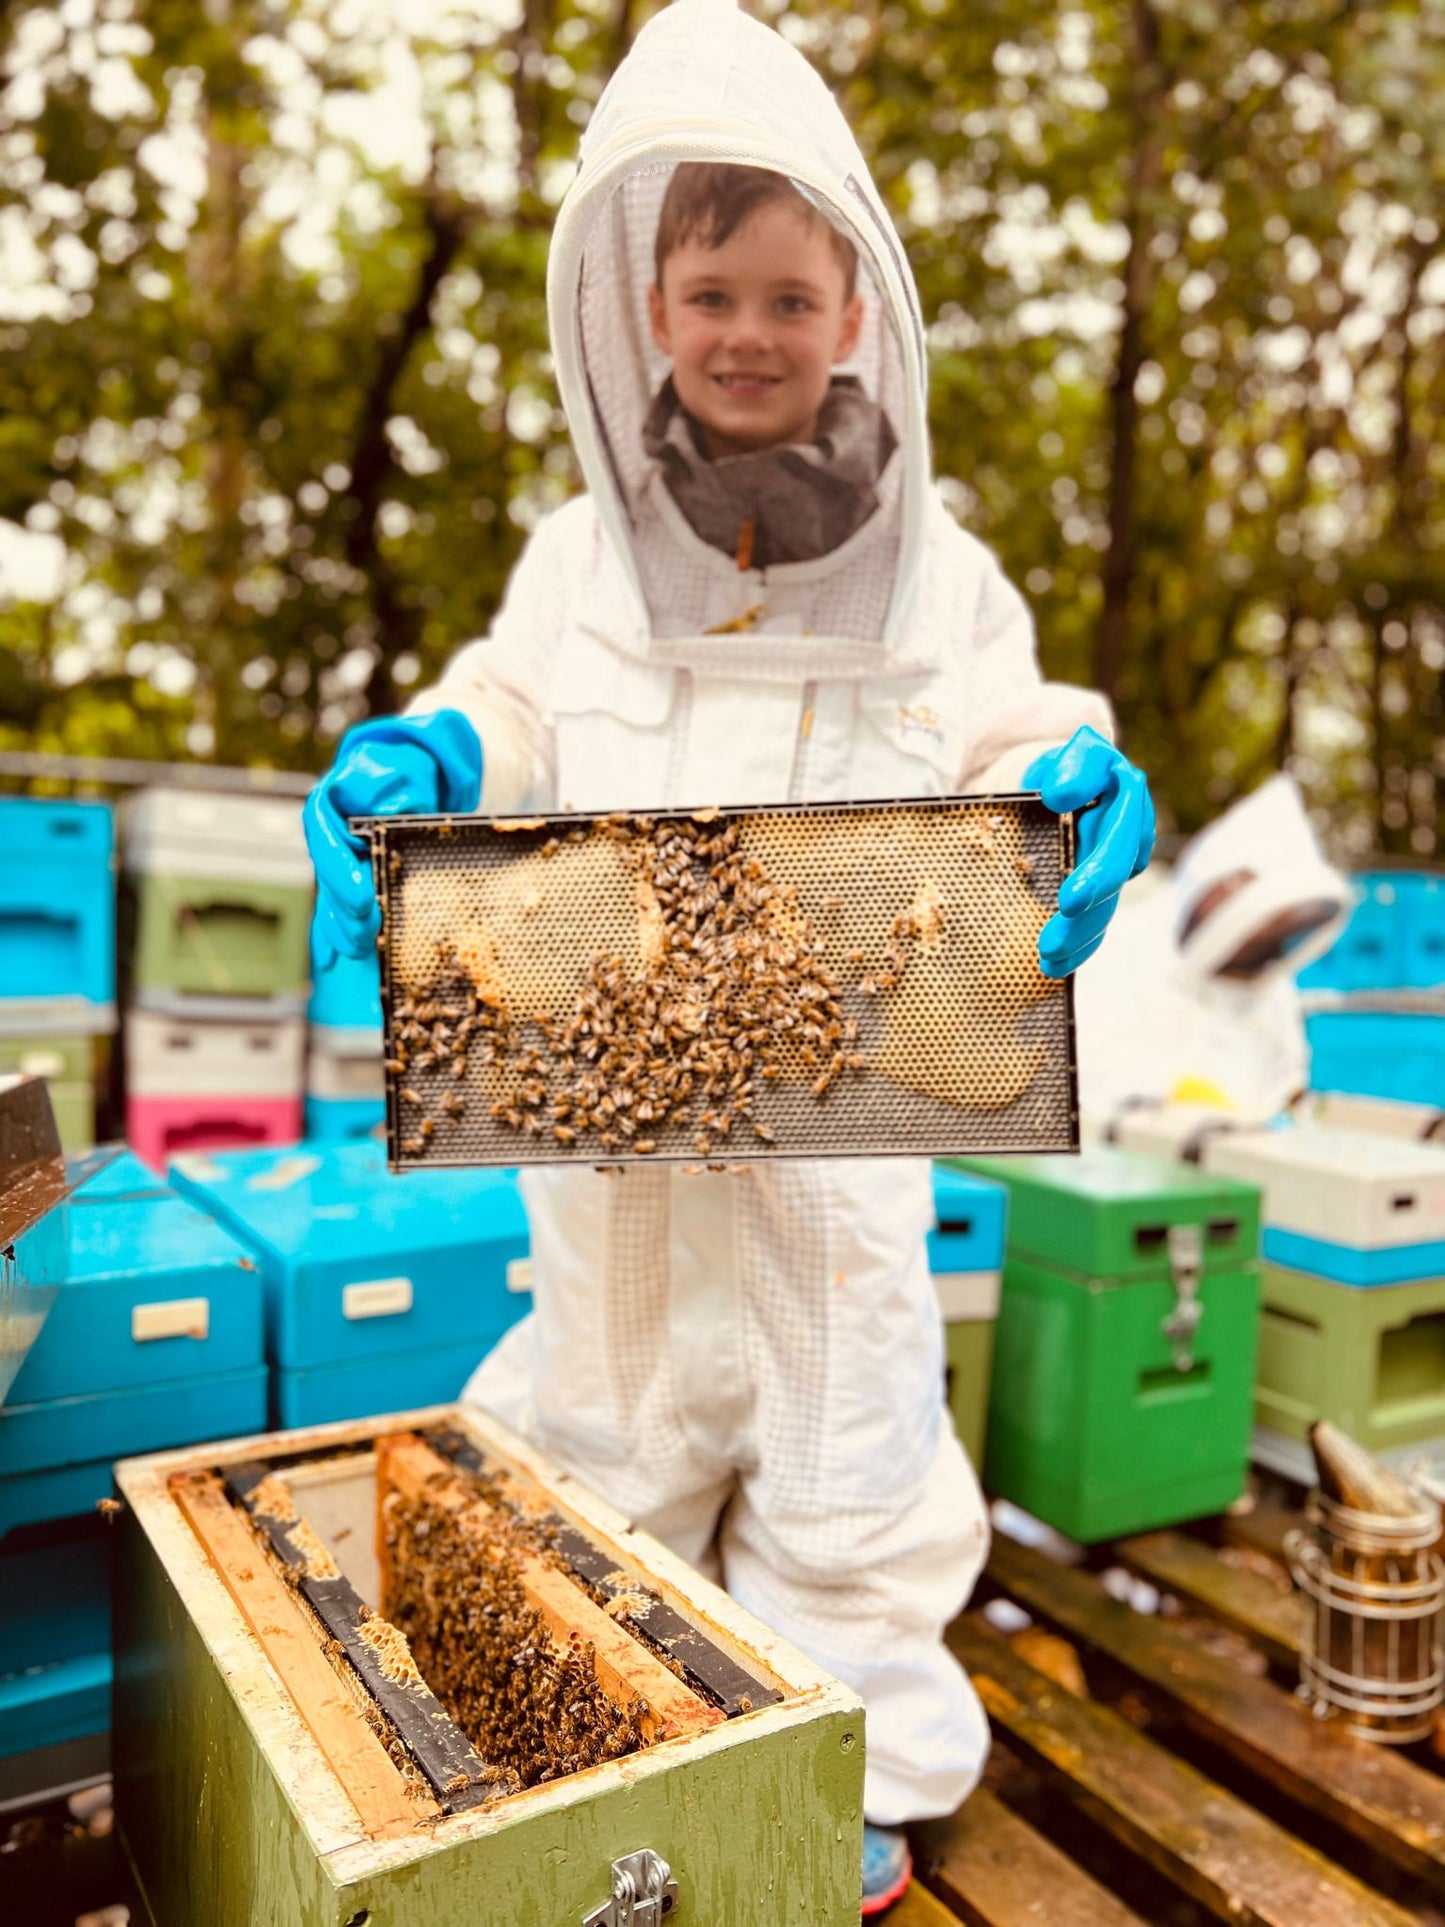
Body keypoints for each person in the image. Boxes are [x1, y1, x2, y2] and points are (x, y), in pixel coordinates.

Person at [304, 1, 1153, 1912]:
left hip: (834, 1155)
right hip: (606, 1154)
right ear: (643, 309)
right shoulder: (576, 557)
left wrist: (1071, 775)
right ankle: (629, 1740)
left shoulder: (942, 572)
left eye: (787, 296)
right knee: (601, 1437)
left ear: (857, 312)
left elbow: (1013, 724)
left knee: (848, 1461)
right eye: (711, 294)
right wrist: (432, 758)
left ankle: (852, 1762)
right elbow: (510, 706)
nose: (748, 332)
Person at [1075, 772, 1351, 1131]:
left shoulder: (1271, 990)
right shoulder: (1110, 949)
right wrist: (1175, 1094)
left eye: (1279, 928)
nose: (1263, 940)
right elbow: (1088, 1076)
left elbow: (1288, 1083)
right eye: (1263, 927)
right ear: (1219, 885)